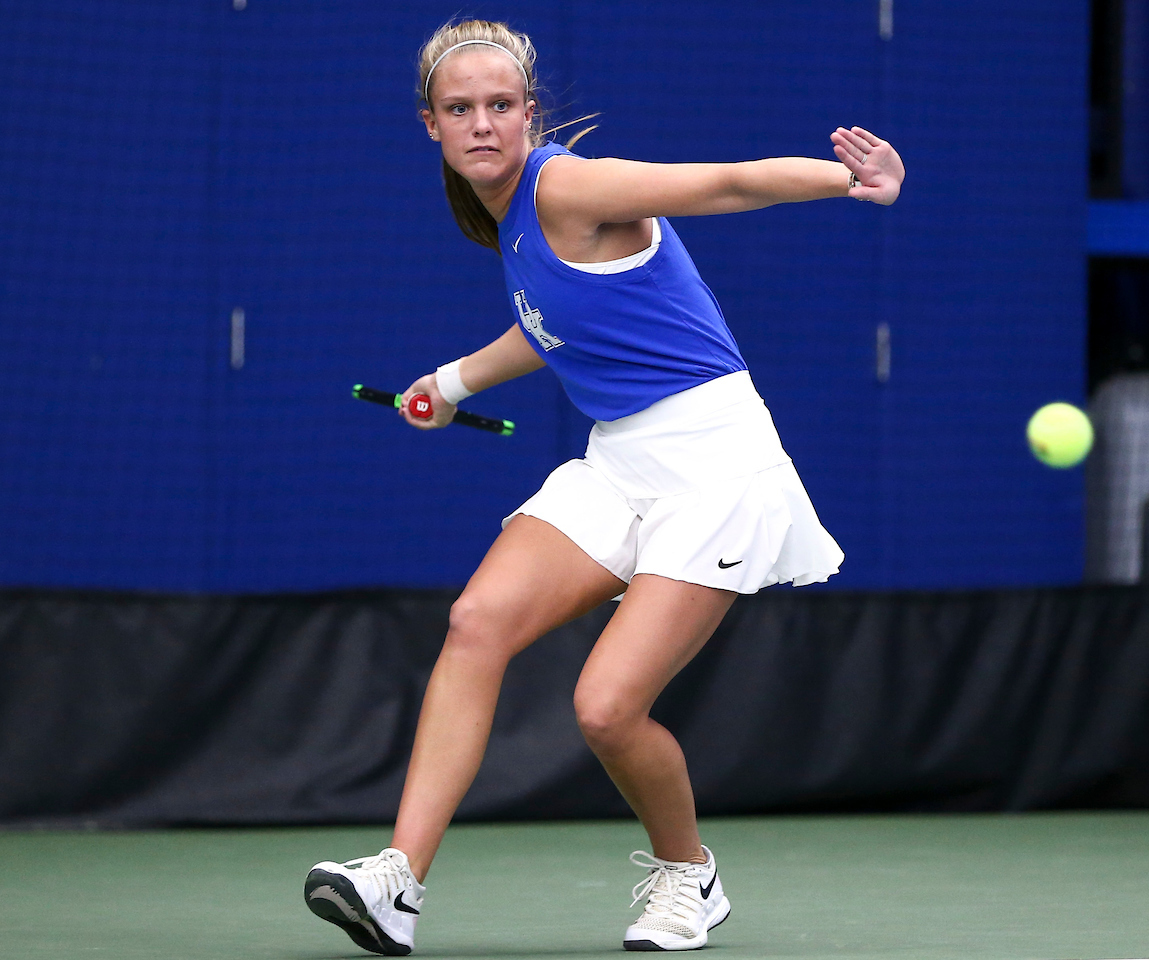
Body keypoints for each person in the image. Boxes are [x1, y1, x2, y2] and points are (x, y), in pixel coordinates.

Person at [304, 18, 904, 957]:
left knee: (606, 710)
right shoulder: (498, 215)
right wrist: (451, 383)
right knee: (477, 624)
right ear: (431, 125)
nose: (483, 125)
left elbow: (721, 183)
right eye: (460, 110)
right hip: (621, 456)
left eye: (501, 106)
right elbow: (552, 326)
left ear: (529, 113)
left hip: (716, 463)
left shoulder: (567, 184)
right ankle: (397, 883)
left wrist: (852, 179)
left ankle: (687, 876)